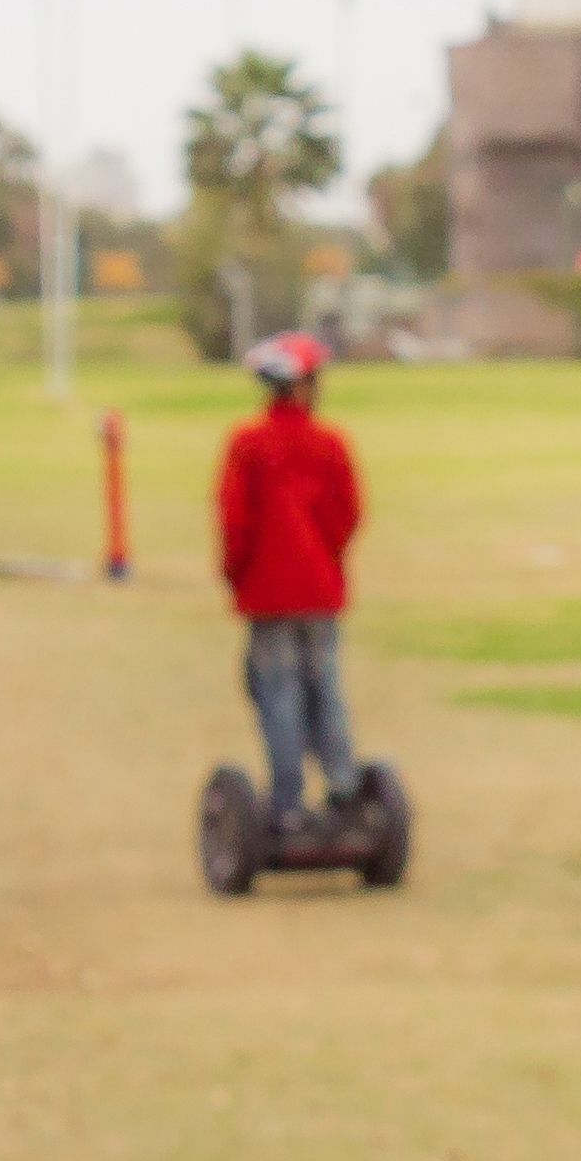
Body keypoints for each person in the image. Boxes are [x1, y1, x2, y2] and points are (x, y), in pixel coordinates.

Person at [217, 331, 361, 824]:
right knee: (325, 687)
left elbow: (235, 522)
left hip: (267, 593)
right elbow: (347, 514)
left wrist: (236, 576)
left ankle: (289, 801)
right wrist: (326, 557)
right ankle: (342, 782)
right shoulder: (330, 443)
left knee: (278, 693)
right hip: (320, 591)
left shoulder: (247, 444)